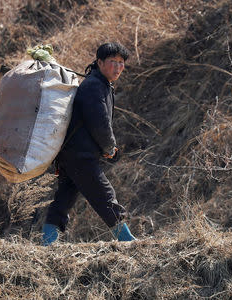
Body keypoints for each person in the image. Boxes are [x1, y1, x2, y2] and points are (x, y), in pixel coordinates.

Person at [41, 42, 136, 246]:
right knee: (104, 194)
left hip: (71, 153)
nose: (118, 67)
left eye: (121, 63)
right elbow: (99, 122)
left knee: (64, 198)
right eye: (113, 62)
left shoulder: (100, 84)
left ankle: (47, 242)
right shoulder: (94, 86)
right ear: (100, 62)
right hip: (80, 155)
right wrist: (110, 148)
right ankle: (127, 240)